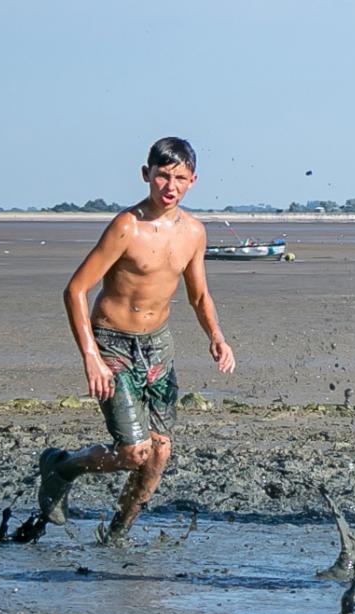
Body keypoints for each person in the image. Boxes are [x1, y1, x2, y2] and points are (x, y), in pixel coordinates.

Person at [36, 137, 235, 541]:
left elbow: (198, 294)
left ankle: (117, 534)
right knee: (133, 453)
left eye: (179, 178)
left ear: (193, 180)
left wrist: (216, 336)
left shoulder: (194, 232)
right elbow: (75, 290)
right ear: (147, 175)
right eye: (162, 176)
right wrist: (91, 356)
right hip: (112, 343)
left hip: (158, 347)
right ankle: (61, 467)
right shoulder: (127, 226)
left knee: (159, 451)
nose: (170, 186)